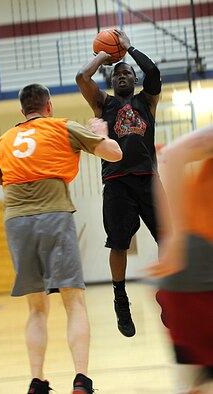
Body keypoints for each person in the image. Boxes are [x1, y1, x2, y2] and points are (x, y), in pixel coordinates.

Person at [0, 83, 122, 394]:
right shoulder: (62, 127)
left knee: (37, 308)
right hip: (54, 214)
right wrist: (101, 131)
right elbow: (114, 155)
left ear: (23, 110)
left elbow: (6, 180)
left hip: (16, 221)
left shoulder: (2, 141)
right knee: (74, 301)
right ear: (48, 107)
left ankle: (37, 381)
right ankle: (81, 380)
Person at [76, 29, 162, 337]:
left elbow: (153, 71)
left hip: (149, 180)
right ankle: (120, 298)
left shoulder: (147, 102)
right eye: (117, 75)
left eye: (126, 73)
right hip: (116, 182)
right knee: (119, 244)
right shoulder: (104, 106)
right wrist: (104, 54)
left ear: (134, 80)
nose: (122, 76)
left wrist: (129, 48)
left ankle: (167, 291)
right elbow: (81, 78)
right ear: (112, 82)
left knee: (168, 238)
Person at [145, 124, 213, 394]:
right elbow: (173, 155)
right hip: (198, 266)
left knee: (195, 380)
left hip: (193, 270)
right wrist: (174, 236)